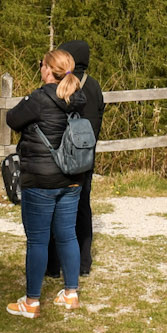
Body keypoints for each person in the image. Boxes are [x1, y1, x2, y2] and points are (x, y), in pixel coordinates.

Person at [5, 47, 89, 316]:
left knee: (38, 240)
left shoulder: (39, 99)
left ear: (47, 70)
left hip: (41, 178)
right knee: (67, 235)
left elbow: (12, 119)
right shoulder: (77, 97)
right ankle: (71, 293)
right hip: (72, 176)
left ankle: (31, 301)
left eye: (41, 65)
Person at [62, 39, 107, 276]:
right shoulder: (95, 86)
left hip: (65, 156)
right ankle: (84, 261)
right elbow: (99, 115)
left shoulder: (65, 85)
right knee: (83, 206)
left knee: (61, 207)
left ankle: (57, 261)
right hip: (87, 155)